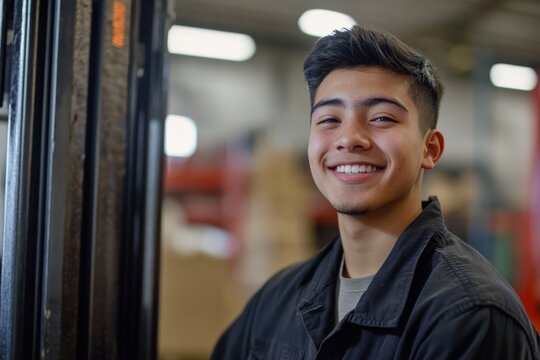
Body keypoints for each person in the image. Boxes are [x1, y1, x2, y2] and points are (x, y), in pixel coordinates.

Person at [211, 25, 540, 359]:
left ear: (430, 149)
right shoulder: (277, 300)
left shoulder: (471, 316)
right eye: (328, 120)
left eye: (382, 118)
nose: (349, 138)